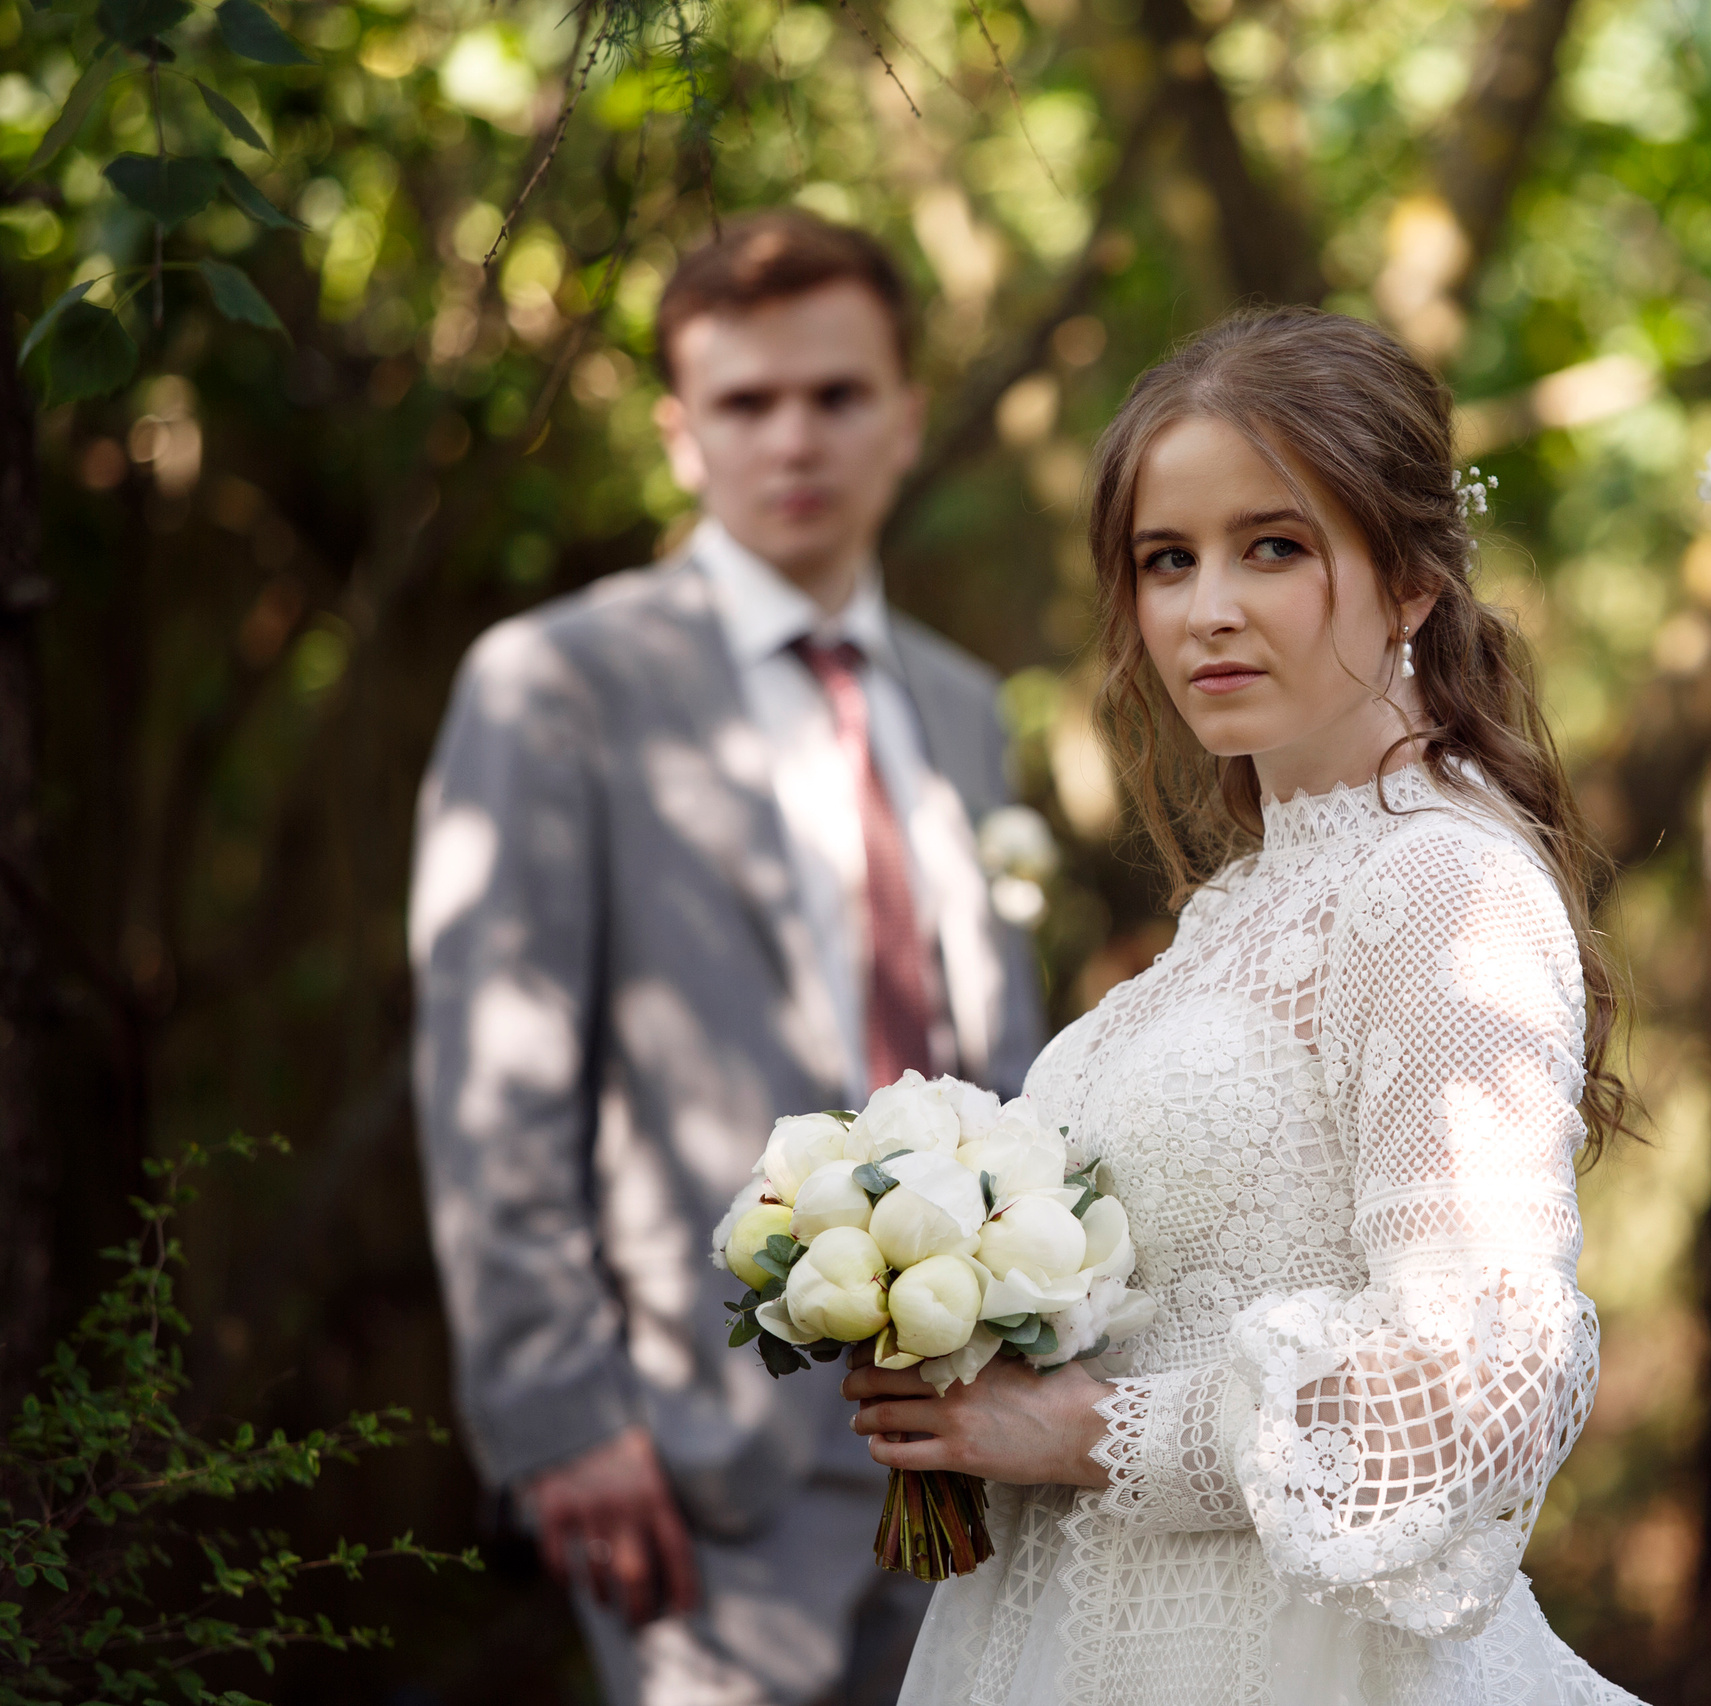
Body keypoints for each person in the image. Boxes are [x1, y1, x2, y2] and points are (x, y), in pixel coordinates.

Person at [839, 307, 1643, 1706]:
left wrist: (1086, 1428)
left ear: (1409, 581)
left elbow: (1487, 1377)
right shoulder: (1246, 905)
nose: (1207, 606)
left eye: (1273, 545)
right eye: (1169, 559)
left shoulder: (1439, 885)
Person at [411, 209, 1046, 1706]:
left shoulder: (962, 709)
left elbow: (998, 1060)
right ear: (681, 432)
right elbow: (492, 1081)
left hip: (975, 1447)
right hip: (699, 1463)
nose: (794, 441)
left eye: (835, 395)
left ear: (905, 412)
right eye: (747, 403)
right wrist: (559, 1414)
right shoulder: (558, 684)